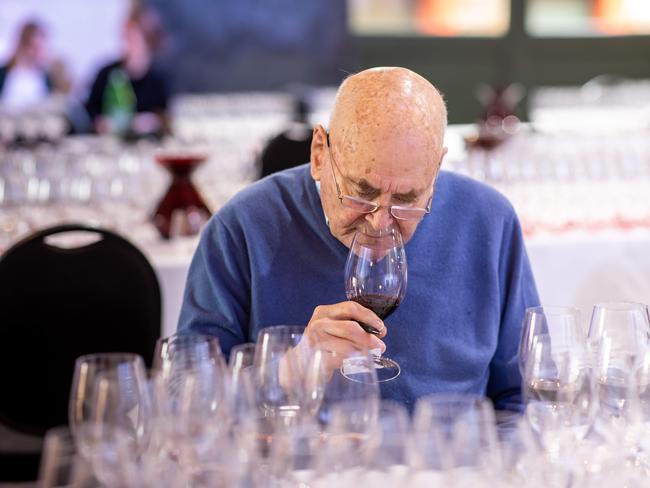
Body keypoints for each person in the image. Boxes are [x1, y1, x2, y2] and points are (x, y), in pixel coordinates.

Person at [178, 67, 540, 411]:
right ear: (320, 153)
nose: (380, 223)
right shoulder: (243, 227)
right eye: (360, 193)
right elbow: (182, 399)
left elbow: (528, 395)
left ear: (437, 167)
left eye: (406, 200)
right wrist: (286, 372)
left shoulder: (489, 223)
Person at [85, 4, 169, 137]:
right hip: (109, 144)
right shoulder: (107, 73)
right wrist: (100, 122)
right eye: (125, 37)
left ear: (146, 40)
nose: (126, 44)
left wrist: (152, 122)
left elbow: (165, 116)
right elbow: (90, 110)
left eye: (132, 38)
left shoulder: (158, 80)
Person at [0, 20, 70, 111]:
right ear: (23, 44)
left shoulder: (45, 76)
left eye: (41, 47)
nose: (38, 52)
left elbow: (61, 97)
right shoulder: (5, 73)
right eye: (34, 47)